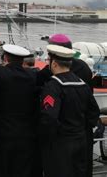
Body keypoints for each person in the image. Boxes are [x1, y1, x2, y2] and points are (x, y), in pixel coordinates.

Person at [39, 44, 100, 177]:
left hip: (61, 143)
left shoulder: (53, 86)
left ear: (54, 64)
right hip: (81, 139)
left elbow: (49, 118)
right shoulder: (81, 84)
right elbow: (94, 112)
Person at [0, 44, 40, 177]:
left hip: (3, 129)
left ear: (6, 58)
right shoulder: (32, 75)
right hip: (26, 131)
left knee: (3, 167)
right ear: (22, 60)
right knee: (23, 168)